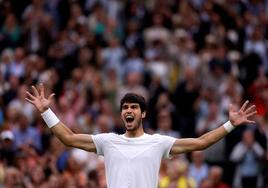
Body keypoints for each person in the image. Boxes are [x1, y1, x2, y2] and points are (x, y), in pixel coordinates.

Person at [25, 83, 257, 188]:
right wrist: (46, 111)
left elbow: (200, 143)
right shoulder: (108, 141)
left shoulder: (158, 142)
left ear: (143, 113)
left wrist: (230, 124)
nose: (128, 110)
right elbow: (68, 138)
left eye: (134, 107)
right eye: (125, 107)